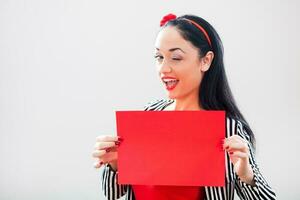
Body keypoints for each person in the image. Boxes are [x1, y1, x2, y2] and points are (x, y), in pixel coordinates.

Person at [92, 13, 277, 200]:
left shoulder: (228, 128)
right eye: (159, 57)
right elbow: (113, 193)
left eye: (176, 58)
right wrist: (115, 164)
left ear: (206, 61)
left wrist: (246, 175)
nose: (163, 69)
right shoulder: (149, 114)